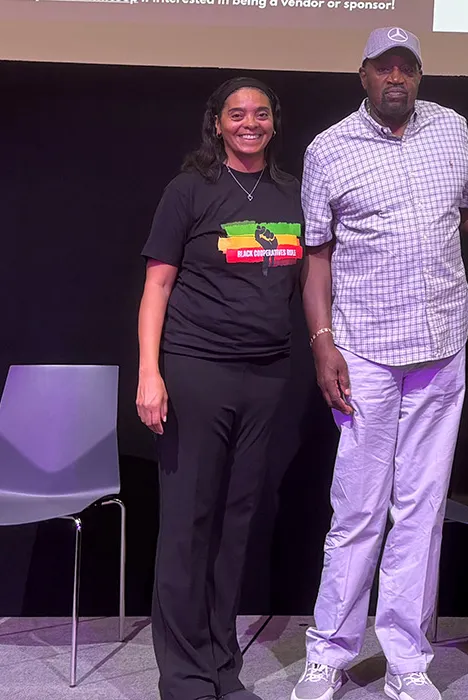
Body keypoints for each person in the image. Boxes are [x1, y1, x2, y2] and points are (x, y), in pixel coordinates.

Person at [291, 26, 468, 700]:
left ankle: (408, 661)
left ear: (418, 75)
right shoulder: (329, 149)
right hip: (365, 353)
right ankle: (329, 652)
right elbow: (315, 255)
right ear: (364, 76)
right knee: (357, 509)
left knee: (421, 510)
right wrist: (323, 343)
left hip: (441, 347)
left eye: (407, 68)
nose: (397, 79)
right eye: (385, 68)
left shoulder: (452, 129)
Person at [136, 77, 303, 700]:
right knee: (188, 524)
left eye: (261, 113)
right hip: (195, 370)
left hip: (266, 376)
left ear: (273, 122)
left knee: (235, 527)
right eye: (237, 114)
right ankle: (182, 676)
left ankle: (220, 669)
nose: (250, 123)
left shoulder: (291, 192)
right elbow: (156, 287)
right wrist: (150, 373)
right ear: (217, 123)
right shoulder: (190, 190)